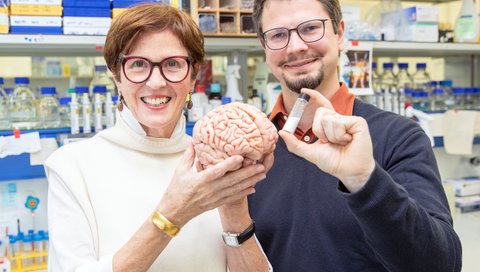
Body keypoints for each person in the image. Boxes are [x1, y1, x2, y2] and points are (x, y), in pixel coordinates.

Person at [44, 3, 272, 271]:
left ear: (192, 75)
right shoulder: (71, 167)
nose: (156, 82)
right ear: (117, 75)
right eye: (138, 64)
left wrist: (233, 208)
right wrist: (171, 215)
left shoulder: (216, 161)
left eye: (173, 64)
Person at [248, 0, 462, 271]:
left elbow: (442, 265)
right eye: (278, 35)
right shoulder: (253, 149)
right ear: (263, 46)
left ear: (339, 34)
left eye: (311, 28)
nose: (296, 46)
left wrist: (364, 180)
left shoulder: (399, 137)